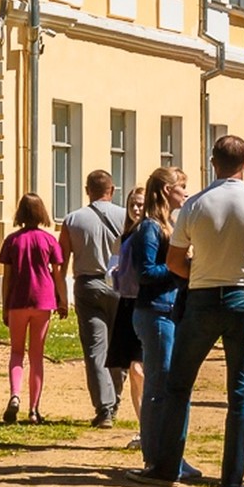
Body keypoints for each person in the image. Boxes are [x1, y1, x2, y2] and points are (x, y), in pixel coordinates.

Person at [138, 135, 244, 487]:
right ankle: (232, 481)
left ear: (213, 162)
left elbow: (173, 261)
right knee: (240, 394)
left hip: (202, 297)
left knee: (178, 384)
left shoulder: (196, 204)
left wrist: (201, 274)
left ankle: (166, 467)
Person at [126, 167, 200, 481]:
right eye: (181, 187)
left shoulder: (170, 225)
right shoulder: (150, 229)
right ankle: (157, 459)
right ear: (167, 190)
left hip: (169, 312)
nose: (186, 192)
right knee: (158, 388)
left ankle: (168, 456)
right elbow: (147, 273)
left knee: (168, 386)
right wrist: (181, 267)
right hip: (155, 313)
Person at [60, 170, 128, 428]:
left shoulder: (72, 219)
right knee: (118, 346)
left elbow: (62, 260)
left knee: (95, 349)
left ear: (87, 190)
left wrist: (62, 294)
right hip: (120, 284)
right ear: (111, 190)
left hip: (88, 284)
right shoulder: (126, 217)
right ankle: (116, 398)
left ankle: (104, 407)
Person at [0, 193, 68, 423]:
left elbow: (6, 277)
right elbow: (58, 274)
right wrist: (63, 300)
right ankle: (34, 409)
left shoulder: (12, 240)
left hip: (18, 300)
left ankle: (15, 395)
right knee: (36, 356)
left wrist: (4, 305)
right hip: (43, 300)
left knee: (17, 352)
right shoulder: (49, 240)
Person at [107, 187, 147, 436]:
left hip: (145, 303)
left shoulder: (152, 233)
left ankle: (150, 427)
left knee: (139, 369)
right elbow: (114, 267)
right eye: (132, 204)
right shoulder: (124, 236)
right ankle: (144, 427)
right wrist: (115, 274)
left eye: (140, 205)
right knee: (132, 370)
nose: (135, 209)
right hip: (126, 303)